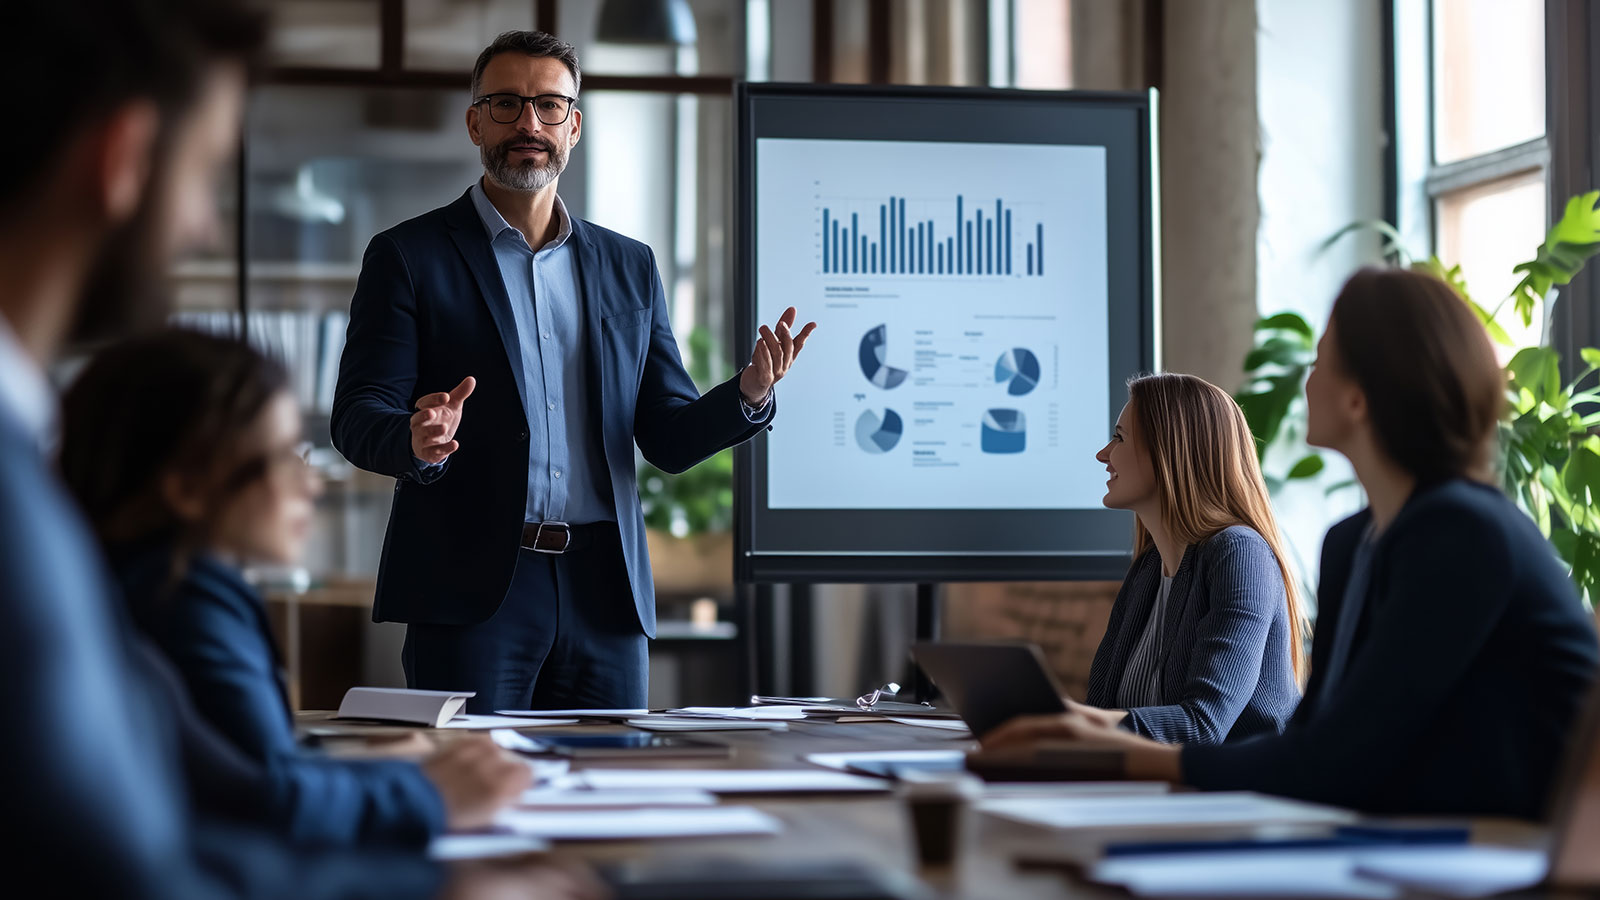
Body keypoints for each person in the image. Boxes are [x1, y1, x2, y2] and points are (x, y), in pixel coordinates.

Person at [0, 1, 594, 896]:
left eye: (549, 107)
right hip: (472, 595)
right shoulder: (28, 520)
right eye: (203, 174)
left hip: (592, 592)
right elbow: (129, 865)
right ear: (122, 158)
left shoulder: (39, 491)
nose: (202, 226)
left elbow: (175, 822)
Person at [985, 268, 1600, 819]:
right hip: (1435, 837)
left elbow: (1336, 760)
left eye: (1320, 363)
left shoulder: (1464, 532)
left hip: (1529, 852)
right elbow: (1314, 742)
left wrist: (1112, 756)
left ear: (1358, 398)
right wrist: (1088, 739)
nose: (1305, 382)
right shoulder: (1352, 542)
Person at [333, 30, 816, 712]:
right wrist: (415, 440)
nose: (529, 122)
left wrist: (747, 394)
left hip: (606, 594)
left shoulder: (630, 265)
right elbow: (357, 415)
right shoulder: (409, 256)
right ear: (475, 121)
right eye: (506, 103)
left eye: (549, 105)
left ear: (575, 125)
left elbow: (667, 436)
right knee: (483, 801)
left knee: (614, 791)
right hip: (474, 592)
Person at [60, 328, 530, 847]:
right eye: (285, 455)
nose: (310, 483)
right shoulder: (185, 605)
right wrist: (430, 796)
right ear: (187, 489)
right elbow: (264, 805)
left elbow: (241, 768)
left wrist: (375, 759)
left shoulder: (141, 585)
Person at [1076, 373, 1303, 744]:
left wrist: (1065, 721)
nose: (1104, 454)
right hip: (1156, 789)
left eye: (1119, 437)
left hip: (1240, 795)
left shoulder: (1240, 554)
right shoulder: (1148, 570)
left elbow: (1203, 726)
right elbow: (1103, 708)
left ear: (1169, 450)